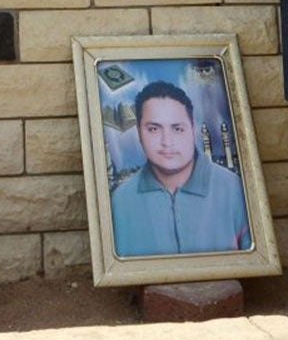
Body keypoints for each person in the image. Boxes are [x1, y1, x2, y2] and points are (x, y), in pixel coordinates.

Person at [107, 81, 251, 257]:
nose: (167, 141)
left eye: (177, 129)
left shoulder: (235, 189)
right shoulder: (120, 200)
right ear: (139, 132)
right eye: (153, 129)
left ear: (193, 130)